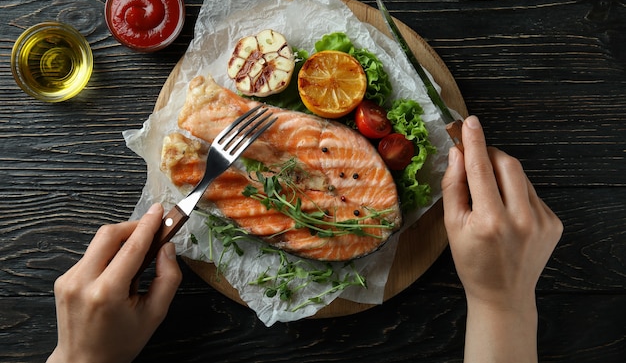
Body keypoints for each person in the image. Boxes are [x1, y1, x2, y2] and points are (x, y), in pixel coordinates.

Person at [46, 115, 562, 363]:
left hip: (360, 223)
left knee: (289, 190)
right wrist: (503, 306)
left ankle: (196, 147)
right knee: (268, 181)